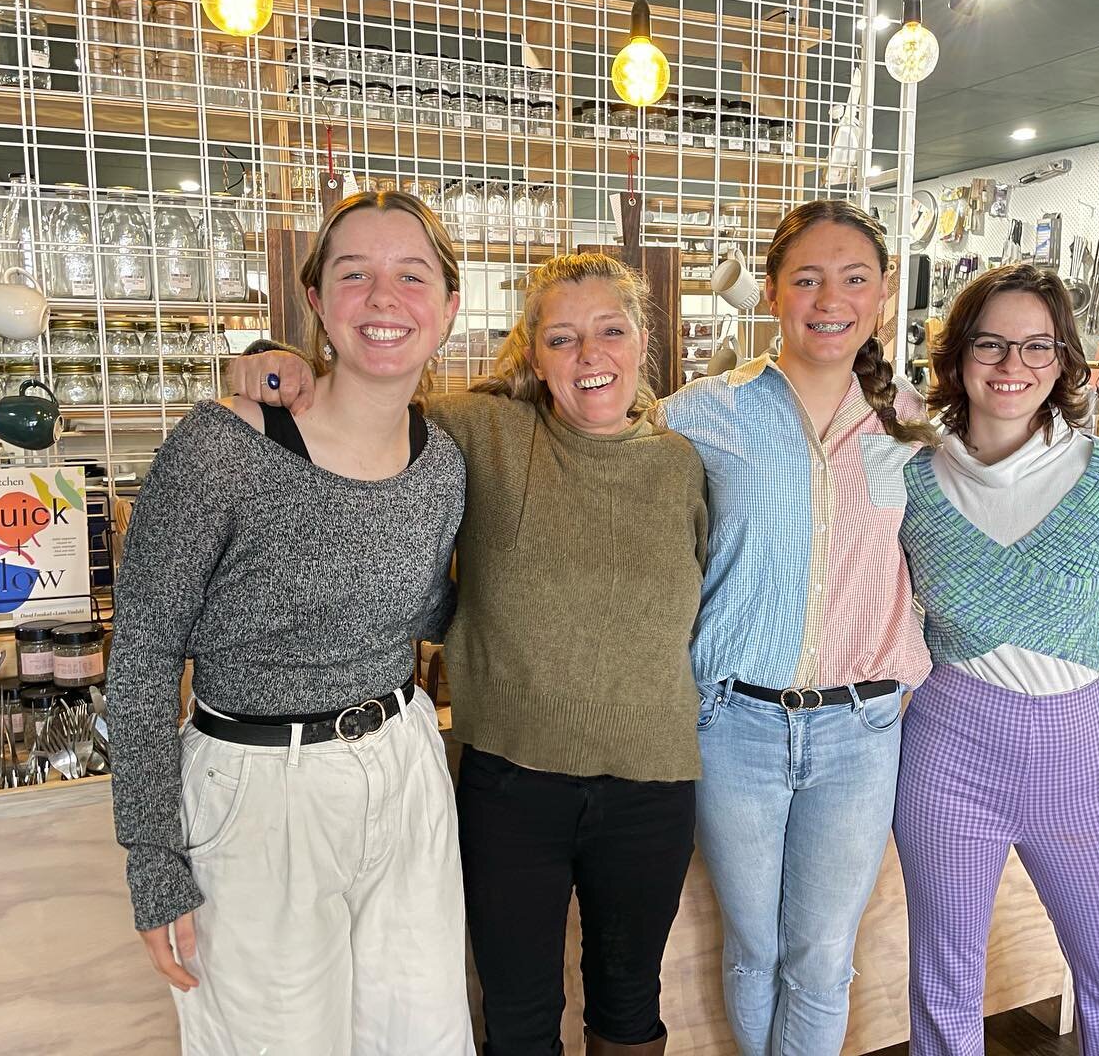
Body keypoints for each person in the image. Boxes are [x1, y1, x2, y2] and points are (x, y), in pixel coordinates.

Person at [227, 252, 708, 1056]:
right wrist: (290, 366)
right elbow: (365, 409)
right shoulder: (480, 432)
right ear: (531, 354)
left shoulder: (682, 464)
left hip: (653, 784)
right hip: (513, 784)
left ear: (641, 340)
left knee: (630, 1009)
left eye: (609, 331)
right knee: (516, 1018)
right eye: (562, 338)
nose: (590, 356)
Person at [106, 191, 475, 1054]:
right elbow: (146, 652)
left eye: (411, 276)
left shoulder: (444, 461)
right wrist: (152, 857)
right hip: (259, 787)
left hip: (405, 766)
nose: (385, 300)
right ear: (317, 301)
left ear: (450, 307)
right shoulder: (223, 445)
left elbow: (426, 607)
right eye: (356, 274)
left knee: (420, 1038)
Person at [660, 199, 939, 1054]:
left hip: (861, 731)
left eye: (855, 278)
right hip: (735, 724)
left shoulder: (916, 427)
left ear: (883, 295)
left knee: (822, 956)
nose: (831, 297)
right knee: (754, 950)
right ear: (772, 292)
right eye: (808, 278)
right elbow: (591, 441)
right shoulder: (704, 410)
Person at [896, 263, 1099, 1055]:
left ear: (1063, 363)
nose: (1012, 366)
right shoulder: (911, 477)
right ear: (956, 358)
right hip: (949, 752)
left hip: (1081, 755)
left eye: (1037, 347)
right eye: (991, 344)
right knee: (943, 980)